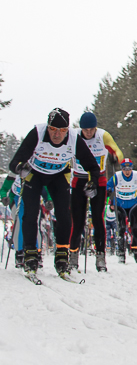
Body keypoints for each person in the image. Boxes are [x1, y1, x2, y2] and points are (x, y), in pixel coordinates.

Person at [9, 109, 102, 277]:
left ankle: (61, 255)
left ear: (67, 129)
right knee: (31, 213)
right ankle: (30, 254)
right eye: (53, 129)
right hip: (34, 174)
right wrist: (19, 168)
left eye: (62, 130)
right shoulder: (37, 132)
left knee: (64, 214)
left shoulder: (74, 139)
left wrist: (93, 181)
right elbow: (15, 161)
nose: (57, 134)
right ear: (48, 127)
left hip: (58, 175)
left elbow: (92, 166)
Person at [69, 112, 123, 272]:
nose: (88, 133)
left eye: (91, 129)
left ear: (95, 127)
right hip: (79, 179)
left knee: (98, 219)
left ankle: (100, 257)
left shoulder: (102, 135)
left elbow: (118, 151)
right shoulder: (74, 136)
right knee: (77, 220)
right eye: (85, 130)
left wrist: (115, 157)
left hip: (99, 180)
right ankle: (73, 255)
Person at [108, 158, 137, 264]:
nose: (127, 171)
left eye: (129, 169)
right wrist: (108, 190)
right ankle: (121, 253)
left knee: (134, 228)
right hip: (120, 205)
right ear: (122, 169)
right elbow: (108, 185)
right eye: (125, 169)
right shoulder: (117, 176)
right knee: (122, 228)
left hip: (133, 204)